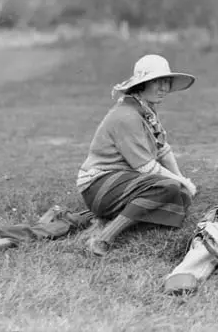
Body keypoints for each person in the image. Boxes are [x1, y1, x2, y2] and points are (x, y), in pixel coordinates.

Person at [78, 54, 198, 256]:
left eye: (167, 82)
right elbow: (146, 168)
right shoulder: (126, 115)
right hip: (98, 184)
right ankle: (105, 236)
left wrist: (183, 180)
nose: (164, 89)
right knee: (167, 186)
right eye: (156, 83)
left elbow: (162, 148)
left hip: (126, 181)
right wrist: (179, 181)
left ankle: (120, 219)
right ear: (141, 85)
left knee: (181, 196)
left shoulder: (146, 109)